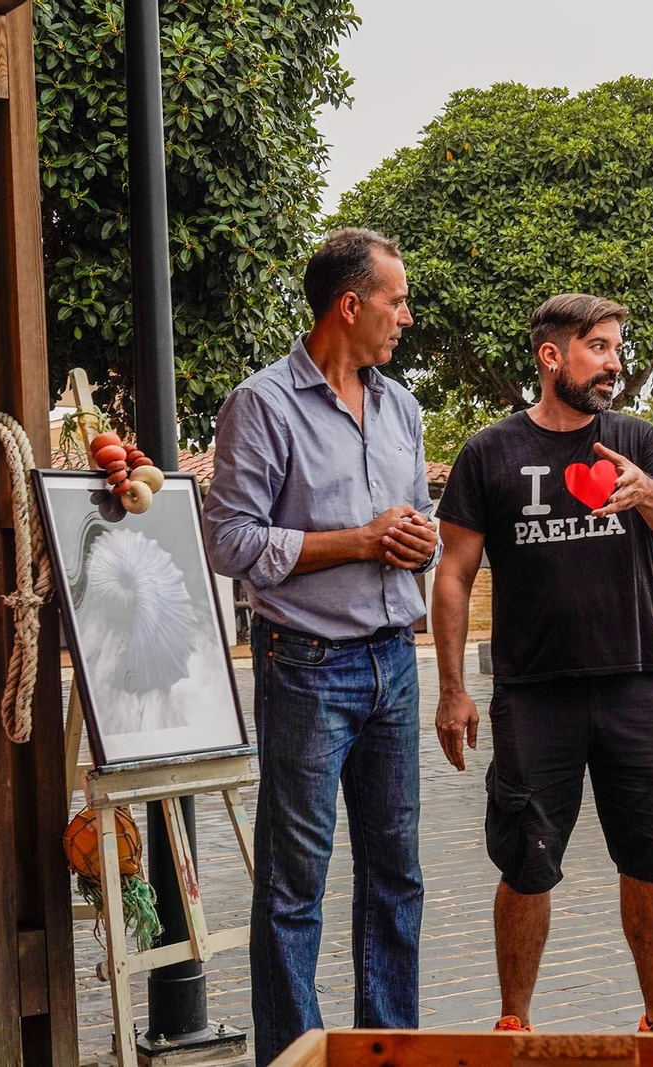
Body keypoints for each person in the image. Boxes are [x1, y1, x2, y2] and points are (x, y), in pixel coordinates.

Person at [431, 293, 653, 1037]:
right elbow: (452, 573)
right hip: (532, 691)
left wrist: (645, 491)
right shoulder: (489, 452)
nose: (615, 364)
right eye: (600, 348)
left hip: (636, 683)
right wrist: (453, 689)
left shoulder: (638, 440)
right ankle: (514, 1019)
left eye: (618, 348)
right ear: (552, 356)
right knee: (526, 860)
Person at [202, 229, 439, 1065]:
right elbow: (228, 541)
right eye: (396, 301)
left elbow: (413, 521)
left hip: (394, 662)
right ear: (351, 305)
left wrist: (417, 540)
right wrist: (362, 541)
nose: (406, 317)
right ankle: (292, 1055)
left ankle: (389, 1050)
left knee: (396, 876)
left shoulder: (403, 407)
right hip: (305, 666)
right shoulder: (261, 404)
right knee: (295, 886)